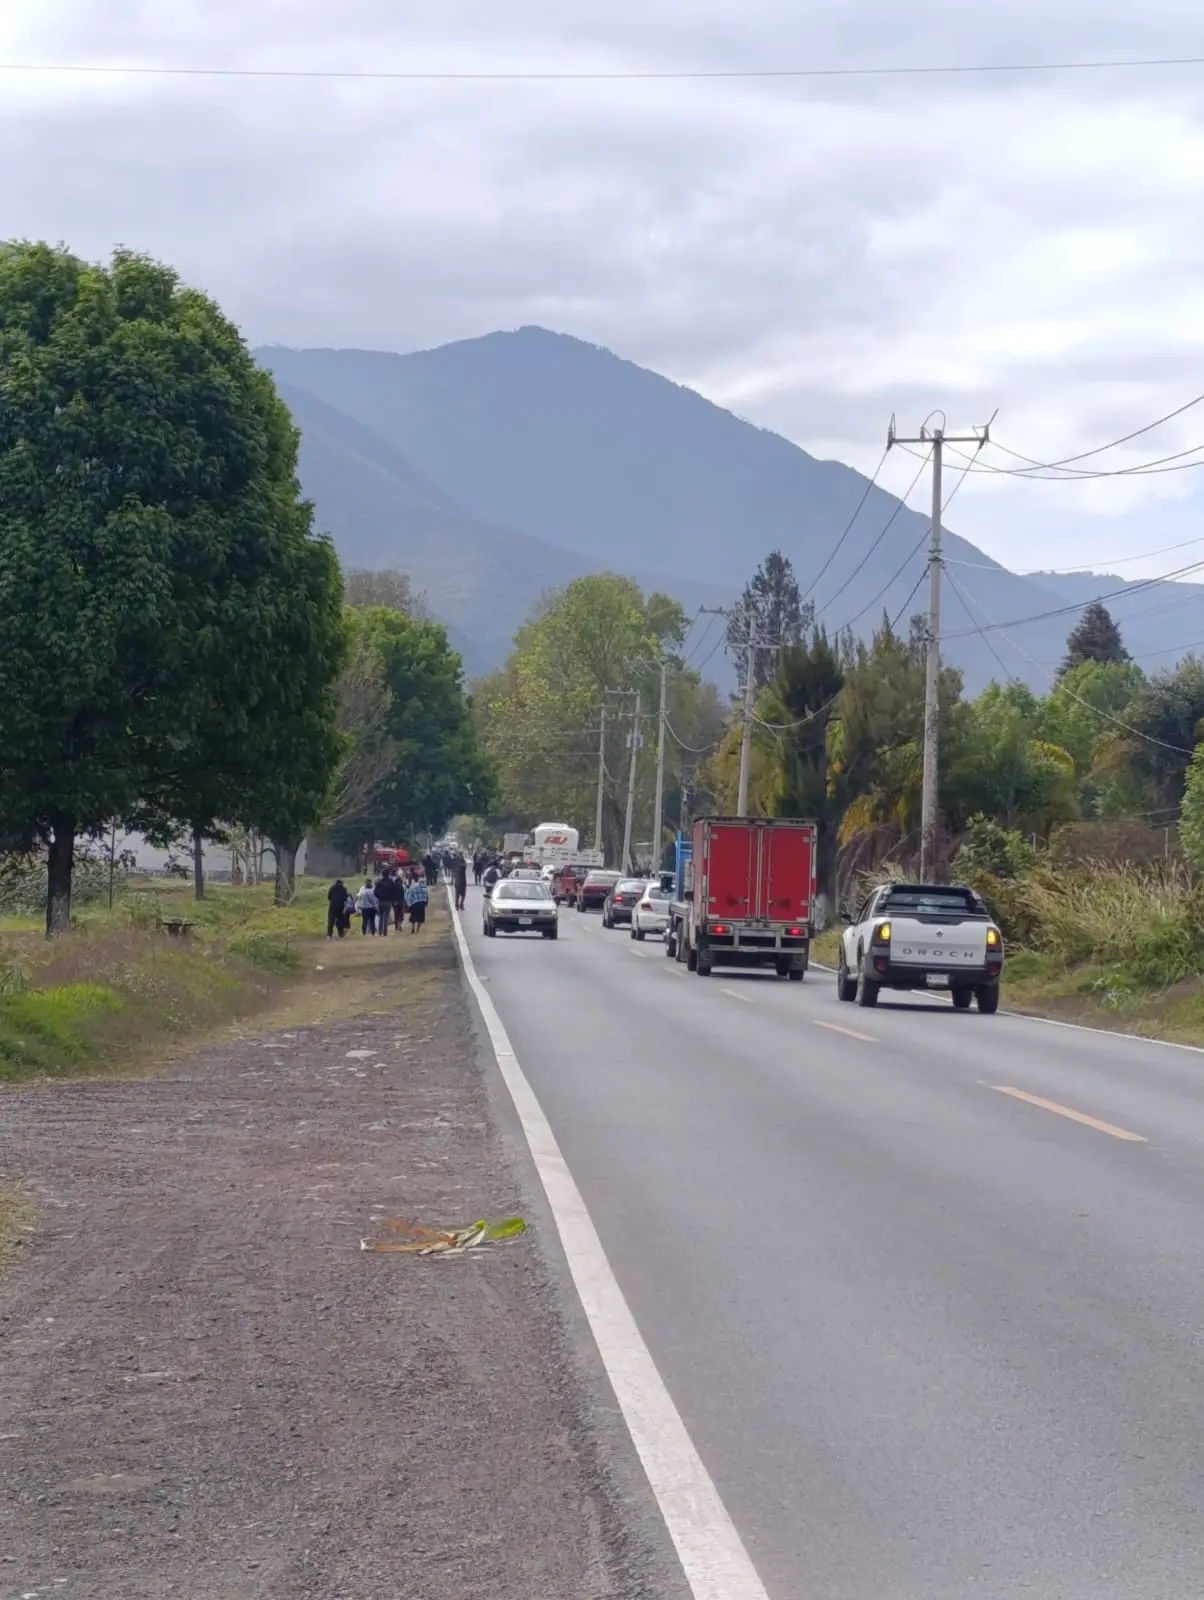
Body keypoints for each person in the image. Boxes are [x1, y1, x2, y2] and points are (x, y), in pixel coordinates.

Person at [374, 871, 394, 937]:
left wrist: (379, 897)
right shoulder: (391, 882)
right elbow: (393, 891)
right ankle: (385, 930)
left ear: (382, 875)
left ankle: (380, 931)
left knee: (381, 917)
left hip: (381, 901)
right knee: (386, 917)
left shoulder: (379, 882)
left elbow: (375, 892)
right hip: (388, 901)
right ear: (388, 874)